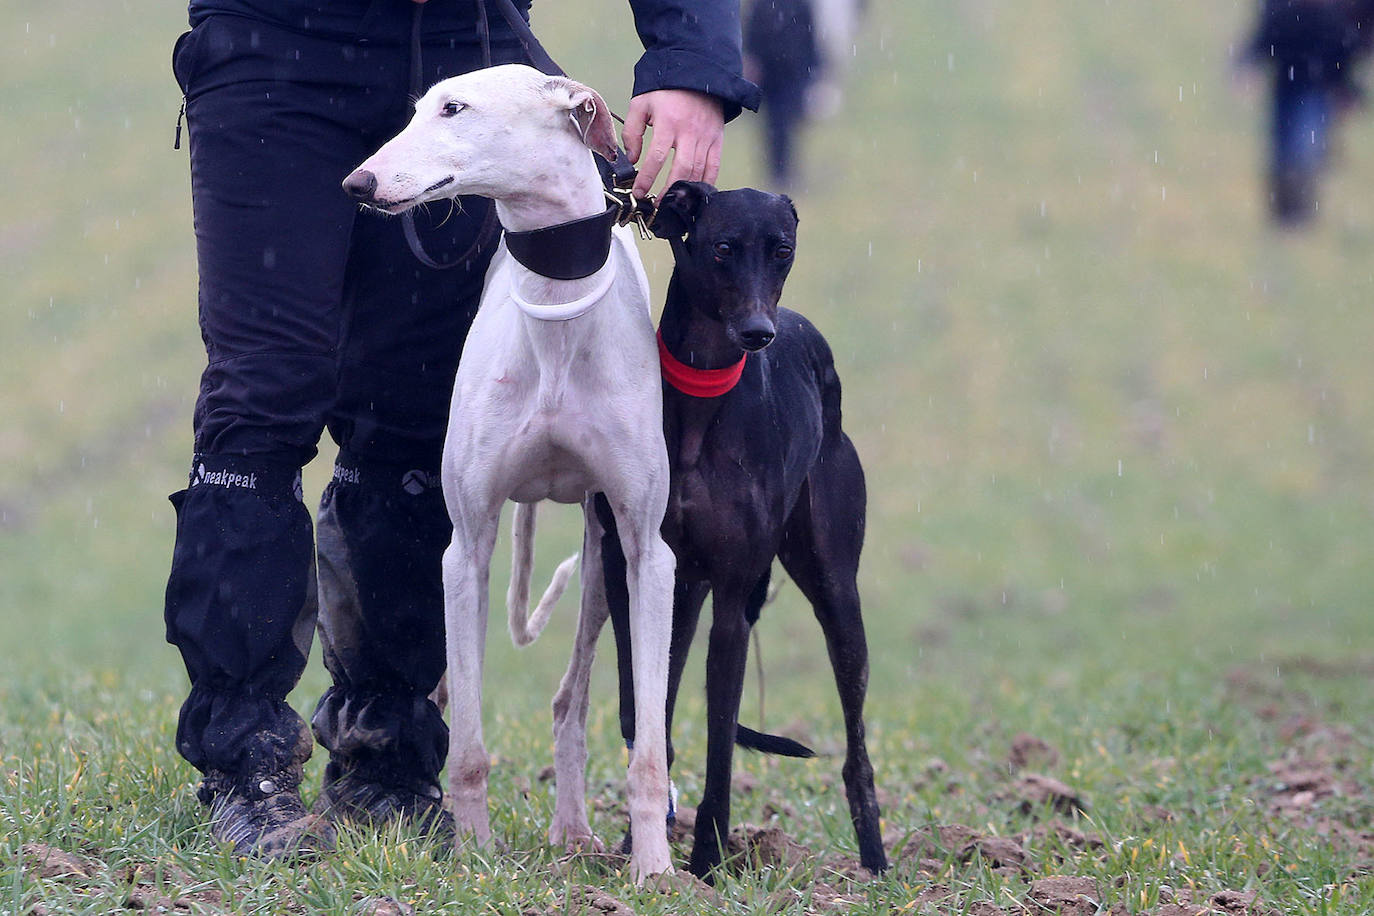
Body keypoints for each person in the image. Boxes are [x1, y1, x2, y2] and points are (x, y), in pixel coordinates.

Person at [165, 0, 760, 859]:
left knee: (412, 411)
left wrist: (693, 61)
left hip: (464, 45)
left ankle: (387, 754)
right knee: (262, 395)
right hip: (275, 49)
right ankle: (242, 760)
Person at [1242, 0, 1374, 223]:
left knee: (1299, 145)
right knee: (1289, 146)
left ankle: (1294, 213)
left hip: (1319, 67)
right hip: (1297, 65)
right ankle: (1288, 213)